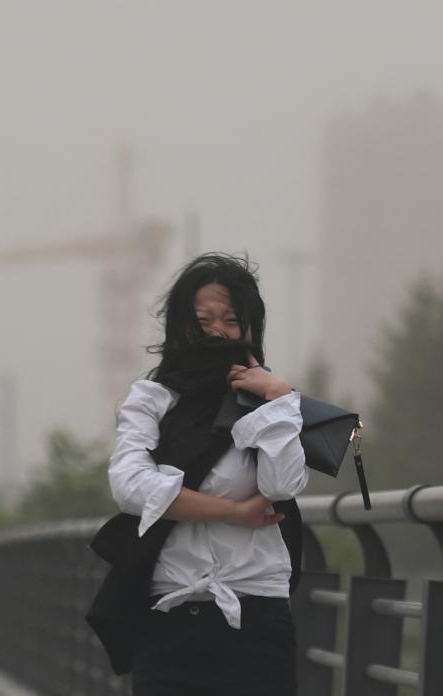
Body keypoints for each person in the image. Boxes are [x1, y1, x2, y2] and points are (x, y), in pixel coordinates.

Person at [95, 252, 308, 696]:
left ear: (251, 327)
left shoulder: (268, 400)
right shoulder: (153, 399)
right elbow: (129, 486)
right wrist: (232, 512)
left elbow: (282, 485)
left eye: (231, 320)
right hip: (170, 618)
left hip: (257, 616)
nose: (217, 332)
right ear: (180, 326)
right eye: (203, 320)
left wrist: (280, 398)